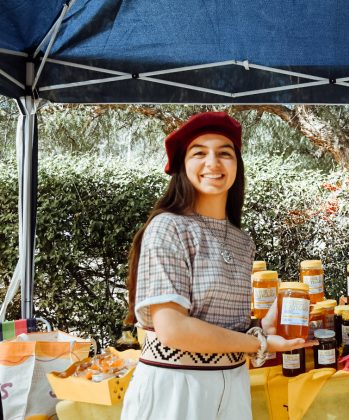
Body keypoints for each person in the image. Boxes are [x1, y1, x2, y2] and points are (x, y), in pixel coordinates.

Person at [121, 112, 313, 420]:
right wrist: (258, 343)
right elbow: (173, 329)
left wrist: (263, 327)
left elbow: (223, 328)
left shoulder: (242, 241)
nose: (213, 162)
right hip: (176, 388)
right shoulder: (168, 227)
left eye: (225, 153)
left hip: (233, 385)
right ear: (183, 166)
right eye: (199, 153)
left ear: (237, 165)